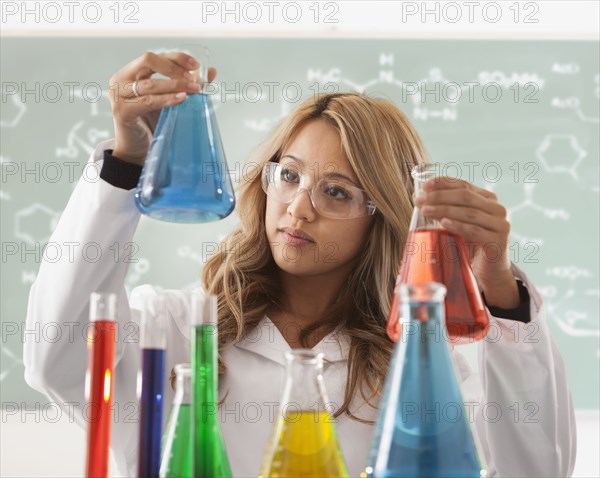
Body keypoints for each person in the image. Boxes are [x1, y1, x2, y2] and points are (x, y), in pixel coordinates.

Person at [24, 51, 576, 477]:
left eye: (336, 192)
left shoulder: (428, 362)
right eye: (288, 175)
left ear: (383, 217)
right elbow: (58, 362)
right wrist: (129, 163)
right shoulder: (172, 329)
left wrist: (499, 291)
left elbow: (537, 466)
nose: (298, 207)